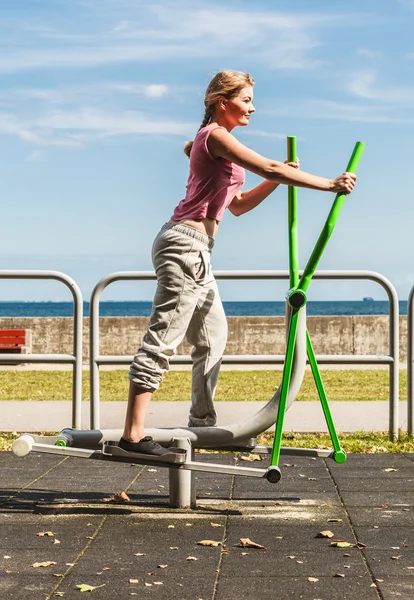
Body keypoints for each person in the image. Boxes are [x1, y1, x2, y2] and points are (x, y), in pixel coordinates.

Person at [118, 69, 357, 456]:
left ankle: (202, 426)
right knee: (163, 340)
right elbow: (268, 166)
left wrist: (279, 180)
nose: (253, 107)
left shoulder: (218, 143)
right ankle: (132, 436)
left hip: (198, 250)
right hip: (185, 246)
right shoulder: (215, 136)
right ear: (221, 101)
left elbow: (240, 205)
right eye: (246, 100)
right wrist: (329, 184)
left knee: (213, 339)